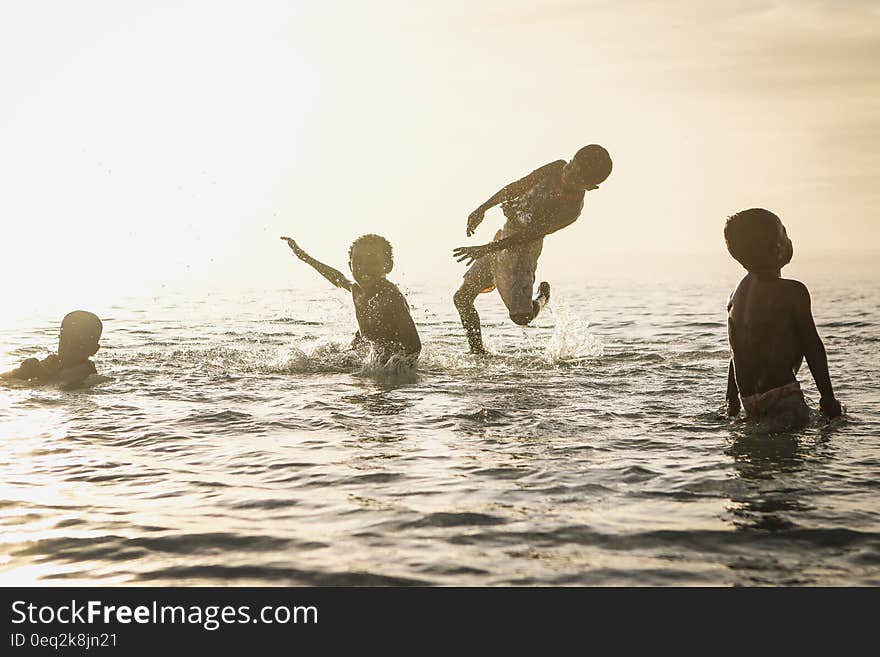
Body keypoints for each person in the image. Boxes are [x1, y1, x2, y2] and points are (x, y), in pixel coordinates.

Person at [452, 144, 612, 353]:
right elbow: (518, 186)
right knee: (462, 298)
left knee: (521, 318)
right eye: (570, 166)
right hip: (506, 234)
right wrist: (482, 208)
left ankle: (542, 298)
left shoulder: (570, 210)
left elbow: (528, 236)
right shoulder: (556, 167)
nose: (567, 175)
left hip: (523, 250)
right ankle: (478, 353)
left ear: (590, 187)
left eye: (576, 178)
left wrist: (486, 248)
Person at [724, 208, 842, 430]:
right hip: (783, 395)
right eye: (784, 234)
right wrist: (828, 399)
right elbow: (812, 346)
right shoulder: (792, 292)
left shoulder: (736, 296)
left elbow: (736, 350)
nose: (788, 240)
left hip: (748, 399)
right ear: (777, 248)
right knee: (792, 460)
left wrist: (732, 402)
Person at [281, 233, 421, 363]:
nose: (365, 268)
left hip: (389, 357)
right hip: (367, 347)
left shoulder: (391, 296)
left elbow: (414, 346)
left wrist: (391, 370)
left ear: (388, 266)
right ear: (350, 266)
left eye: (373, 262)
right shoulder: (357, 290)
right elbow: (337, 278)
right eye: (358, 263)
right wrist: (305, 257)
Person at [2, 310, 103, 386]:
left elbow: (57, 383)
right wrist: (21, 372)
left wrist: (38, 371)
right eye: (64, 341)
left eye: (77, 346)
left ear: (93, 350)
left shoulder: (85, 370)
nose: (67, 349)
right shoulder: (54, 361)